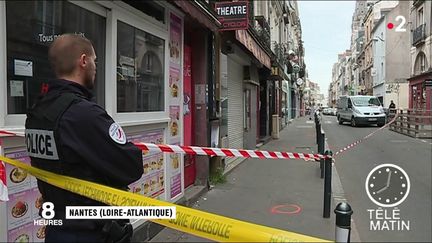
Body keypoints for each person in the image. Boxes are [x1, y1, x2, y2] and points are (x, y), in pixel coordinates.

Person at [25, 34, 143, 242]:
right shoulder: (84, 114)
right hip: (89, 231)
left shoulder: (38, 111)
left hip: (57, 228)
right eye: (94, 60)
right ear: (83, 61)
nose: (95, 67)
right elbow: (131, 166)